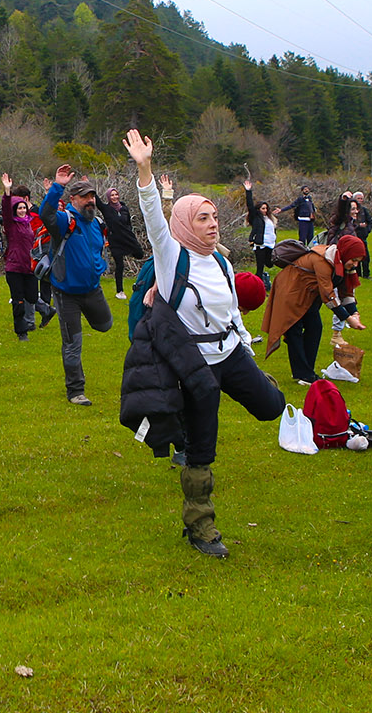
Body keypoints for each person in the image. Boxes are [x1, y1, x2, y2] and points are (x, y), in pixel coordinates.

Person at [120, 129, 285, 558]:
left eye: (214, 219)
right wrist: (145, 169)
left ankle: (253, 383)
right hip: (195, 367)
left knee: (271, 407)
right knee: (201, 448)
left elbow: (232, 313)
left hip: (231, 354)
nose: (212, 226)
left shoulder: (224, 263)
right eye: (202, 219)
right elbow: (154, 217)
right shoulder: (172, 257)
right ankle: (201, 526)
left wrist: (247, 351)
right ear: (185, 226)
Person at [39, 166, 111, 406]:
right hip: (66, 292)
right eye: (85, 197)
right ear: (73, 200)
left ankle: (85, 318)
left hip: (92, 290)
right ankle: (75, 391)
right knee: (73, 344)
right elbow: (46, 212)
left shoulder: (96, 223)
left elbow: (96, 250)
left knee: (105, 325)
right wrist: (57, 186)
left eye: (92, 197)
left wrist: (100, 266)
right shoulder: (64, 221)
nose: (90, 201)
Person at [262, 234, 362, 384]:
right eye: (353, 260)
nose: (355, 264)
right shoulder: (322, 260)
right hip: (290, 293)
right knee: (293, 331)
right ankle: (303, 375)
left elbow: (346, 291)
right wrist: (348, 318)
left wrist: (354, 313)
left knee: (315, 328)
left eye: (358, 261)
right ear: (346, 253)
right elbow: (328, 295)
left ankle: (307, 372)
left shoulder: (343, 264)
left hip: (308, 297)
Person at [0, 176, 40, 340]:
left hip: (29, 266)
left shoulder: (29, 223)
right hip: (14, 267)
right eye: (19, 208)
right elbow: (5, 210)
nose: (22, 210)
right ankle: (21, 332)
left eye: (24, 208)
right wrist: (7, 191)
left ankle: (44, 310)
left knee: (31, 297)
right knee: (18, 301)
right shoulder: (11, 224)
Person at [240, 179, 276, 276]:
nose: (265, 210)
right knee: (260, 267)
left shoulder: (269, 218)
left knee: (269, 264)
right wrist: (248, 191)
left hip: (270, 243)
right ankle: (258, 284)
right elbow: (250, 205)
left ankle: (264, 278)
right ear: (258, 209)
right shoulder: (256, 217)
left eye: (266, 208)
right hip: (261, 244)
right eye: (263, 208)